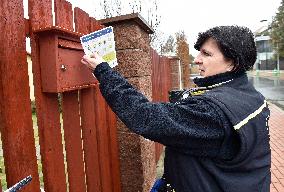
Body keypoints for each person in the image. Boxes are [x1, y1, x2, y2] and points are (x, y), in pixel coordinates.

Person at [81, 25, 271, 192]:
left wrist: (103, 71)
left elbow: (145, 116)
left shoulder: (213, 113)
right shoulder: (252, 97)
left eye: (206, 54)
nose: (197, 59)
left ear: (233, 62)